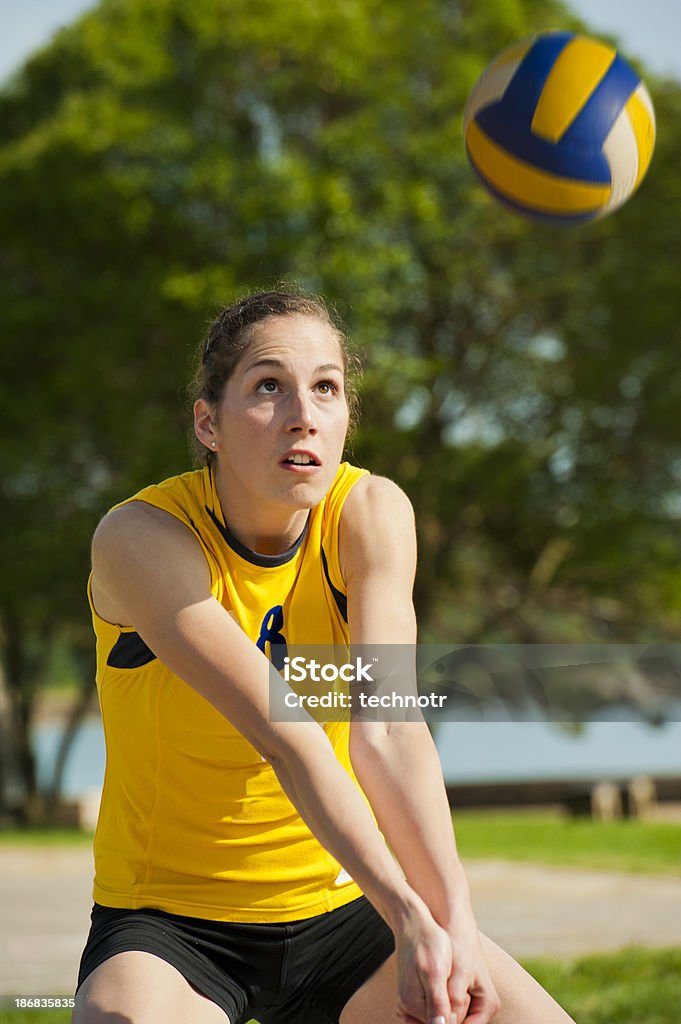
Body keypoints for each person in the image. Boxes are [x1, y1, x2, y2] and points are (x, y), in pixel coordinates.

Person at [73, 289, 575, 1024]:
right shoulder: (140, 539)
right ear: (207, 423)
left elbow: (390, 732)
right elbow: (289, 738)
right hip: (174, 928)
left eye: (326, 388)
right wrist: (408, 913)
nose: (302, 414)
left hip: (343, 914)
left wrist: (451, 925)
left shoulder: (369, 515)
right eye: (268, 386)